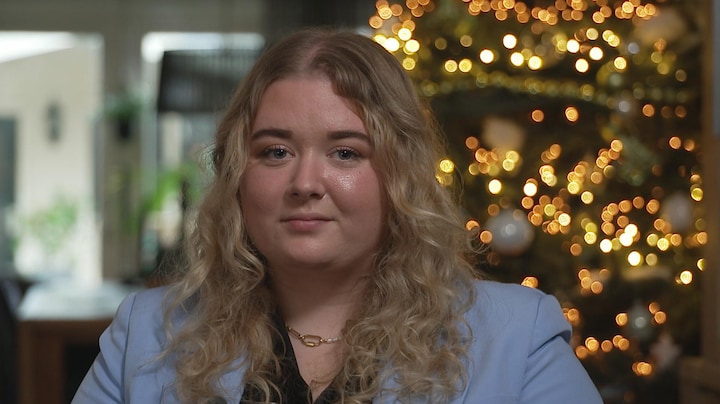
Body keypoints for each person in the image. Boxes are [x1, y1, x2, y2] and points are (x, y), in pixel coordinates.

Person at [73, 28, 603, 404]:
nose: (305, 183)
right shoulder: (144, 334)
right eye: (275, 152)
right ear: (238, 173)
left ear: (400, 175)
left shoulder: (518, 336)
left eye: (346, 152)